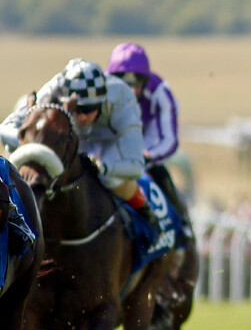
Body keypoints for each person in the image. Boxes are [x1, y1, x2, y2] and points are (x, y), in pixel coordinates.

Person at [0, 58, 161, 239]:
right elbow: (6, 129)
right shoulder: (53, 90)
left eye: (89, 109)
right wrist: (32, 145)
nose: (82, 117)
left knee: (111, 179)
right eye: (77, 109)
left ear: (102, 102)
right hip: (67, 137)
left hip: (109, 141)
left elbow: (135, 166)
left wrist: (105, 167)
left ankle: (146, 215)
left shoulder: (122, 99)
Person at [106, 42, 186, 216]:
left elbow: (170, 139)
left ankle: (182, 226)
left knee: (160, 175)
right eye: (123, 83)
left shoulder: (160, 91)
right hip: (112, 139)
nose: (129, 90)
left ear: (145, 81)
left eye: (136, 83)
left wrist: (149, 156)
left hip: (146, 137)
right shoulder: (101, 87)